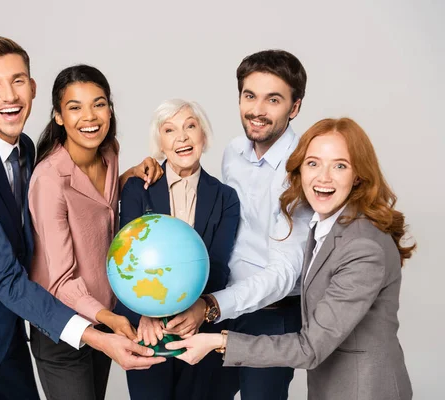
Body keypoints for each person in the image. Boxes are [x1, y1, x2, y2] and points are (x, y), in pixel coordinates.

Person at [0, 37, 163, 400]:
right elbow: (4, 276)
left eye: (18, 81)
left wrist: (125, 177)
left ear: (32, 88)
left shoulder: (25, 149)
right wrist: (95, 335)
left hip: (11, 332)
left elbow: (74, 196)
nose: (9, 95)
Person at [168, 117, 415, 400]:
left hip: (364, 389)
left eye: (340, 165)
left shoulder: (362, 246)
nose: (323, 177)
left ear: (358, 175)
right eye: (313, 163)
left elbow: (310, 348)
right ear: (299, 169)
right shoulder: (326, 226)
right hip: (334, 385)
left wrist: (218, 341)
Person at [171, 49, 312, 399]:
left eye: (273, 99)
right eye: (249, 96)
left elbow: (284, 273)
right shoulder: (233, 152)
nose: (257, 110)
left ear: (294, 108)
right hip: (219, 304)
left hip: (271, 316)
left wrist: (213, 305)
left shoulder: (303, 169)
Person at [27, 64, 166, 400]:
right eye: (75, 107)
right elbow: (59, 281)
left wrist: (132, 172)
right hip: (64, 328)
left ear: (110, 108)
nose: (89, 116)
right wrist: (110, 319)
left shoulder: (110, 151)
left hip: (102, 317)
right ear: (58, 116)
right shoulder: (49, 180)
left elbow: (98, 207)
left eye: (98, 103)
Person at [113, 99, 240, 400]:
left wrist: (198, 314)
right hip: (146, 331)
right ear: (160, 143)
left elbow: (219, 265)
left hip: (199, 331)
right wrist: (146, 314)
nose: (182, 137)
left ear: (204, 136)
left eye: (190, 126)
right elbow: (123, 259)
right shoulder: (136, 190)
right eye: (169, 130)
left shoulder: (225, 197)